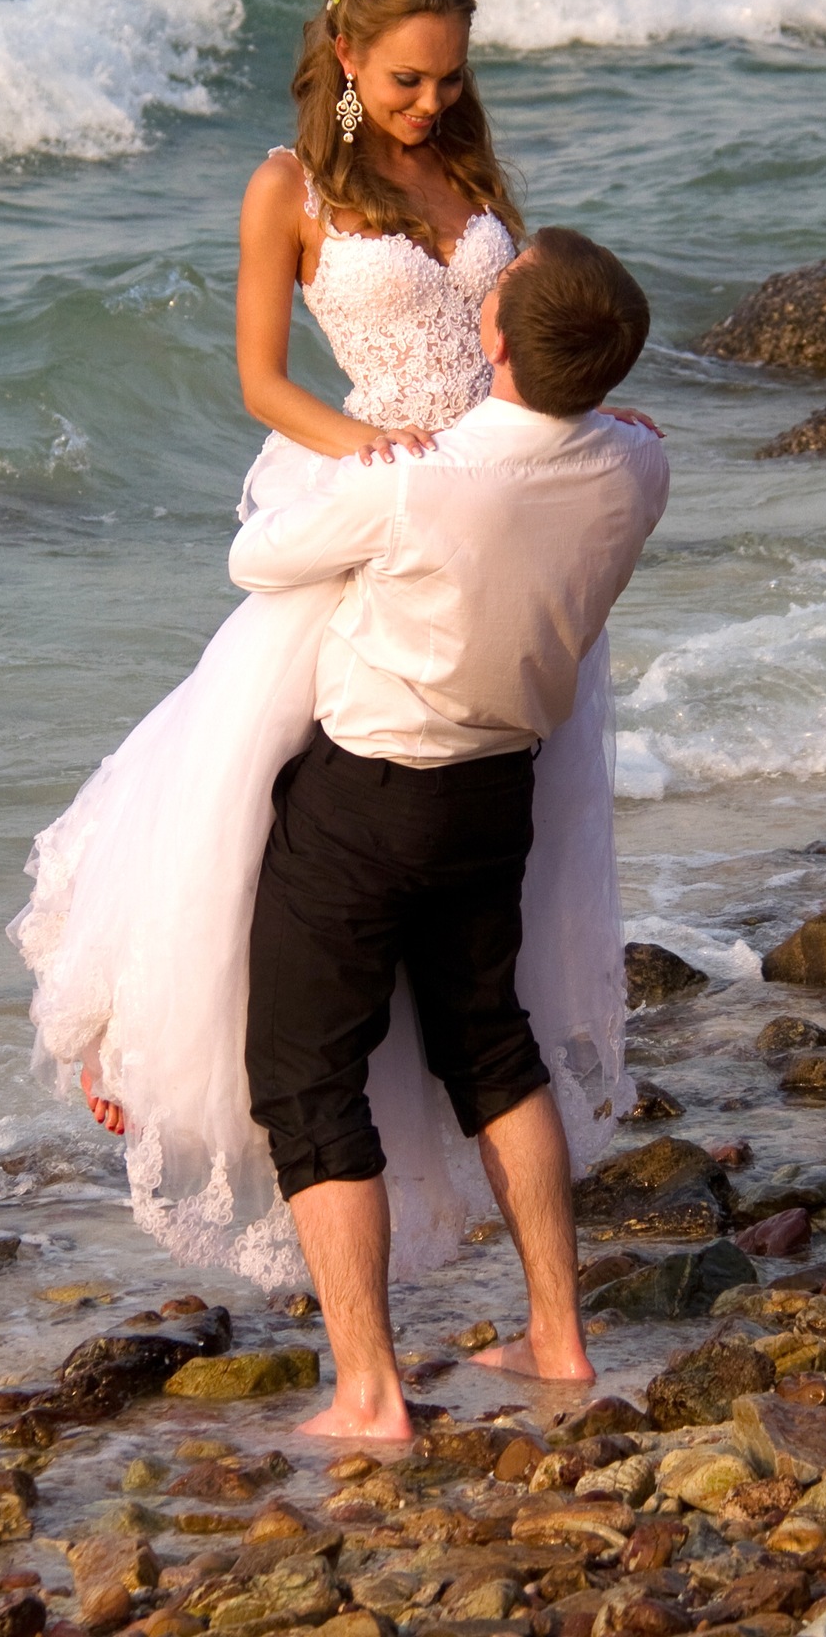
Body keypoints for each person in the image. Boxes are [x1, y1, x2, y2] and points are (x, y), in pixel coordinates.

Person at [11, 0, 656, 1290]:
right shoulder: (288, 188)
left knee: (462, 840)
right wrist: (370, 449)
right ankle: (170, 1053)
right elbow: (260, 379)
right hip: (373, 483)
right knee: (256, 798)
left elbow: (525, 333)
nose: (432, 102)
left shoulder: (472, 172)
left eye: (451, 78)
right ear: (348, 57)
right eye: (409, 80)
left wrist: (584, 412)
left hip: (488, 506)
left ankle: (455, 1127)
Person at [231, 230, 668, 1438]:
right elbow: (604, 430)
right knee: (490, 1045)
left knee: (306, 1074)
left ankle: (370, 1390)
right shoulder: (638, 464)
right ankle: (557, 1334)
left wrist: (358, 453)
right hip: (495, 795)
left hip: (368, 803)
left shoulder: (418, 479)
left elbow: (254, 555)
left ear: (494, 338)